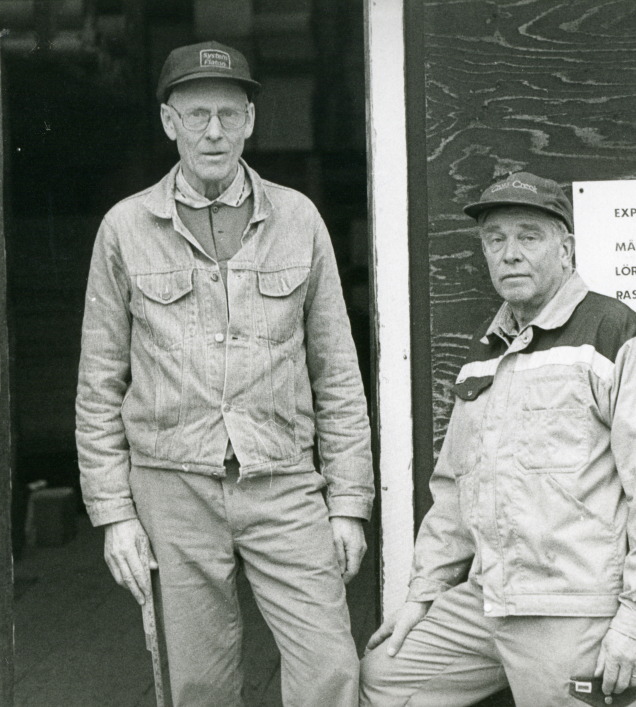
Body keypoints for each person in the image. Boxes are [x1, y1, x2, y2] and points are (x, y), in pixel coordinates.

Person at [75, 41, 373, 707]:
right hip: (171, 487)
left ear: (251, 122)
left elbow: (338, 369)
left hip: (283, 477)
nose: (215, 131)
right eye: (198, 113)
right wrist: (114, 513)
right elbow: (98, 381)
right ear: (168, 122)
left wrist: (350, 503)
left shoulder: (298, 219)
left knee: (330, 665)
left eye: (230, 114)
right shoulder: (125, 228)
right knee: (199, 682)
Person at [360, 172, 636, 707]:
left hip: (570, 606)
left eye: (528, 237)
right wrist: (424, 592)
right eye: (496, 239)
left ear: (566, 249)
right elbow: (453, 489)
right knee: (384, 678)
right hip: (488, 598)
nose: (509, 253)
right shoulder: (488, 352)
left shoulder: (619, 336)